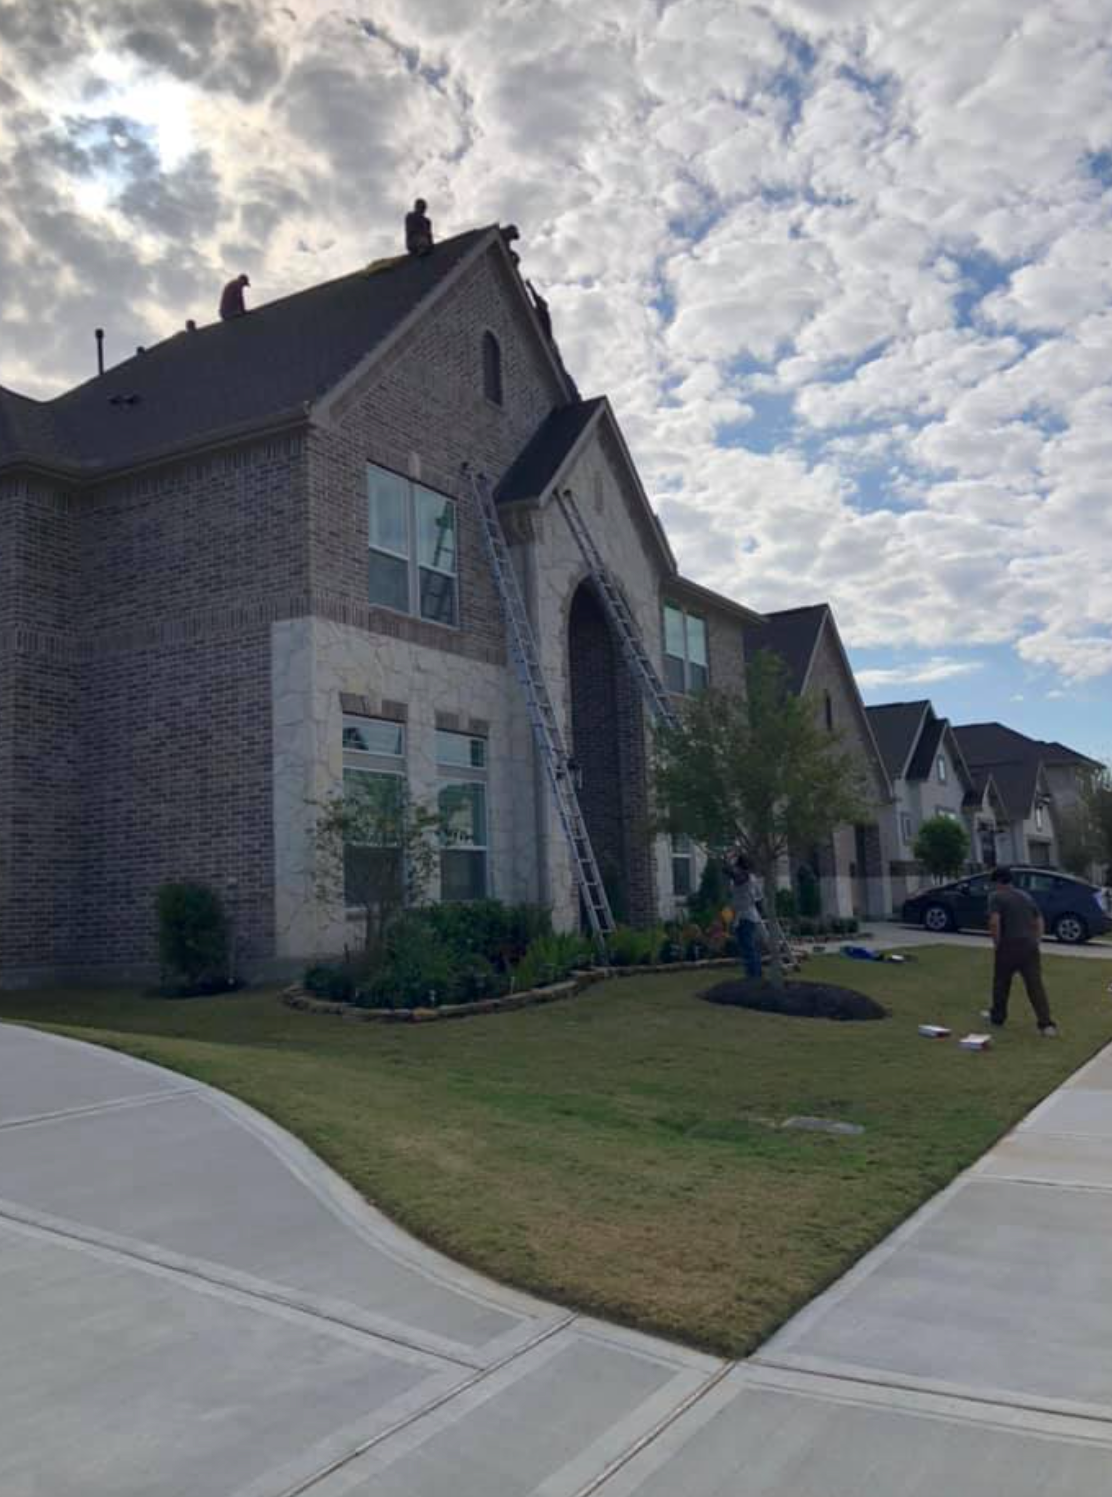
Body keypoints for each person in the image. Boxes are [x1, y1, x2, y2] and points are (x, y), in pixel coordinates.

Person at [983, 866, 1057, 1036]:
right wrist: (1037, 940)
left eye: (993, 883)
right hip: (1029, 946)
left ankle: (998, 1017)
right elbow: (1039, 919)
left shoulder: (996, 897)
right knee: (1035, 985)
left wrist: (997, 943)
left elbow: (995, 922)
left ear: (998, 882)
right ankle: (1046, 1024)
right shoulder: (1026, 896)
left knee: (1001, 983)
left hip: (1009, 945)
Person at [729, 853, 765, 981]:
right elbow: (759, 899)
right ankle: (756, 973)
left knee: (748, 947)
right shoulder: (751, 878)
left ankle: (753, 976)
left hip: (746, 917)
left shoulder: (745, 878)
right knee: (749, 947)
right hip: (745, 916)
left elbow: (736, 876)